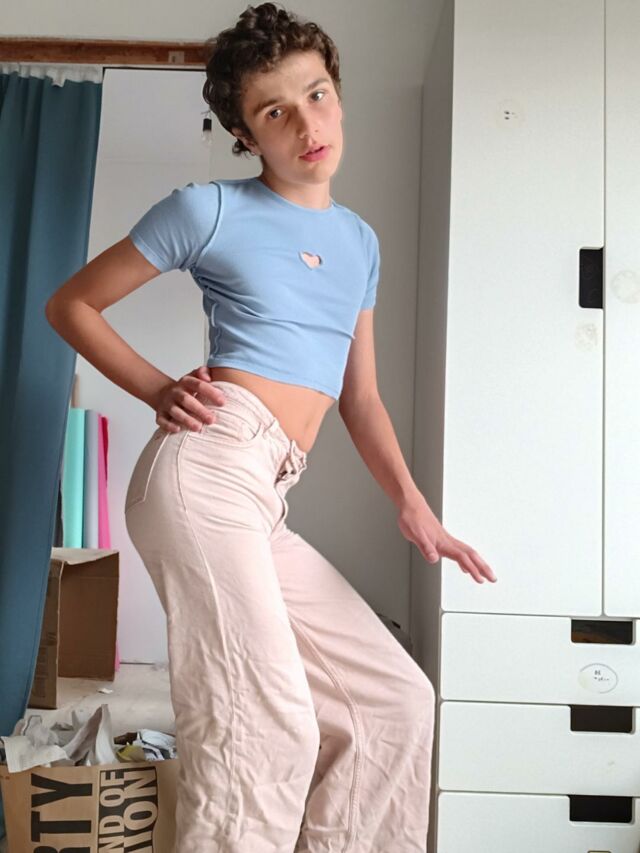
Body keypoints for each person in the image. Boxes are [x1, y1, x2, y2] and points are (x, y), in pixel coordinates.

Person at [45, 3, 497, 850]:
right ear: (245, 134)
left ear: (338, 95)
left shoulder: (359, 242)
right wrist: (156, 388)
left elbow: (360, 397)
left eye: (316, 95)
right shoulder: (207, 209)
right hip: (209, 467)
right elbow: (71, 303)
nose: (306, 124)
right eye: (274, 111)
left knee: (391, 703)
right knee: (264, 728)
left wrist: (413, 504)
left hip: (265, 489)